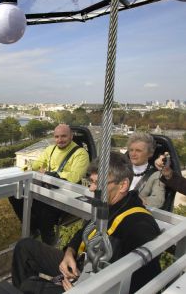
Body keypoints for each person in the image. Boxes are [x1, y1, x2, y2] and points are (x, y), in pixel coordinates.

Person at [12, 152, 161, 294]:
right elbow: (83, 233)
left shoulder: (139, 225)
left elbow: (144, 282)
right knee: (25, 247)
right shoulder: (108, 206)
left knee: (30, 286)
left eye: (98, 183)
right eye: (91, 182)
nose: (91, 188)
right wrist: (69, 253)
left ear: (122, 185)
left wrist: (84, 290)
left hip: (98, 287)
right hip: (82, 267)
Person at [9, 124, 90, 244]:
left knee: (43, 209)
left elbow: (74, 176)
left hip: (68, 193)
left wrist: (49, 173)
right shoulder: (50, 149)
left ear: (71, 136)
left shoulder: (81, 154)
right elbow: (37, 163)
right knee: (15, 195)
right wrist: (27, 168)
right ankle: (33, 230)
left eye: (63, 136)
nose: (60, 140)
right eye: (57, 137)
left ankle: (48, 241)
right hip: (49, 187)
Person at [126, 132, 165, 208]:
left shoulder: (156, 175)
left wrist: (134, 200)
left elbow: (158, 200)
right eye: (131, 150)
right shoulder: (121, 169)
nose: (133, 154)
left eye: (138, 151)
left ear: (150, 153)